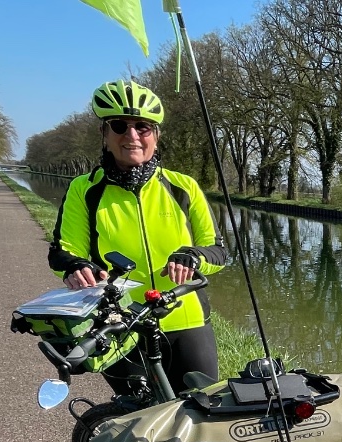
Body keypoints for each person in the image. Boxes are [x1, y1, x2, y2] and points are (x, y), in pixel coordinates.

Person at [48, 79, 228, 394]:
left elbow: (218, 251)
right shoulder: (84, 190)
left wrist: (193, 256)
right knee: (137, 419)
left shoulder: (183, 187)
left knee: (201, 416)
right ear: (104, 135)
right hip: (118, 324)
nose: (132, 136)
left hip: (185, 321)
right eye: (119, 126)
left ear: (155, 137)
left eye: (143, 127)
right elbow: (63, 251)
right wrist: (75, 267)